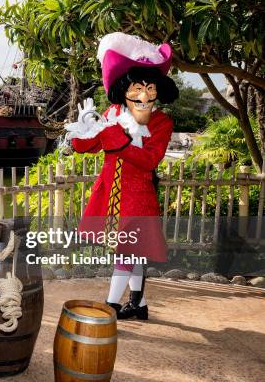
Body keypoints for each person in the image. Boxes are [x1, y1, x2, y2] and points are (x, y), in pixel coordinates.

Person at [67, 32, 178, 320]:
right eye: (137, 87)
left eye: (149, 88)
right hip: (111, 195)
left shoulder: (163, 122)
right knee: (132, 252)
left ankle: (110, 308)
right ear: (123, 88)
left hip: (137, 198)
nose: (144, 95)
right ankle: (139, 305)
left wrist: (115, 136)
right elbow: (89, 146)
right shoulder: (113, 111)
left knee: (127, 253)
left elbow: (149, 159)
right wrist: (82, 130)